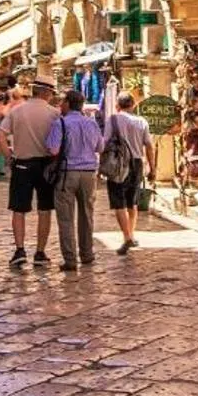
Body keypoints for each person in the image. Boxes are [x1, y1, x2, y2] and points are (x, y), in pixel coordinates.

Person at [0, 76, 60, 270]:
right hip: (46, 165)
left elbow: (0, 134)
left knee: (19, 210)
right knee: (45, 209)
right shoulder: (54, 114)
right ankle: (40, 252)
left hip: (22, 164)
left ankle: (19, 250)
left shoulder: (17, 111)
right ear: (47, 93)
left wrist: (8, 155)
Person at [45, 88, 102, 273]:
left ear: (68, 103)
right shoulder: (91, 123)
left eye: (62, 102)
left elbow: (53, 150)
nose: (60, 105)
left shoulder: (60, 123)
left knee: (66, 217)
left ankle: (70, 259)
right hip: (89, 173)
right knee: (87, 214)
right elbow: (100, 147)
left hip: (67, 174)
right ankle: (87, 254)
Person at [103, 93, 151, 254]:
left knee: (119, 202)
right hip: (137, 163)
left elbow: (105, 141)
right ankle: (130, 234)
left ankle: (127, 237)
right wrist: (153, 167)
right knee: (132, 201)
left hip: (118, 163)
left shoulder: (113, 120)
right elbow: (149, 146)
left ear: (118, 105)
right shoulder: (142, 121)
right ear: (133, 105)